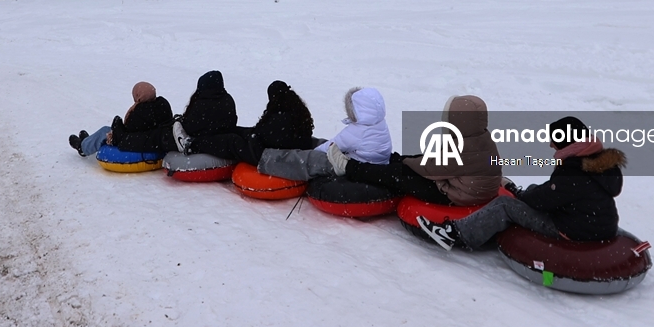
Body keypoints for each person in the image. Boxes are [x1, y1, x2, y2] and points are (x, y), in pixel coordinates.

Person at [417, 116, 626, 251]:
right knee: (536, 189)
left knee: (505, 206)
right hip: (600, 226)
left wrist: (515, 193)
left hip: (575, 231)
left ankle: (455, 235)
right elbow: (558, 194)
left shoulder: (573, 172)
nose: (549, 144)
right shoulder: (597, 164)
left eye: (553, 140)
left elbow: (541, 201)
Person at [338, 95, 504, 206]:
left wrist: (403, 161)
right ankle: (391, 160)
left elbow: (429, 169)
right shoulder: (481, 138)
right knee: (414, 160)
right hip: (472, 190)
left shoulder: (463, 148)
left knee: (399, 174)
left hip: (458, 197)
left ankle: (350, 167)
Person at [256, 86, 392, 180]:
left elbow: (333, 146)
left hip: (356, 166)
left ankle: (269, 159)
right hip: (378, 163)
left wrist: (312, 152)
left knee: (311, 157)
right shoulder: (380, 123)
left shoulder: (357, 131)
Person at [69, 82, 172, 157]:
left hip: (139, 143)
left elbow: (129, 131)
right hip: (156, 141)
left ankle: (82, 147)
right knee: (108, 131)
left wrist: (117, 126)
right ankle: (87, 141)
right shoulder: (162, 104)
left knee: (105, 131)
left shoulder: (140, 112)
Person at [172, 70, 248, 160]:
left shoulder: (201, 104)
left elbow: (191, 127)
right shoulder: (228, 99)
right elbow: (233, 120)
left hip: (208, 140)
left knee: (203, 140)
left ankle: (188, 144)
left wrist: (183, 121)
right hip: (225, 133)